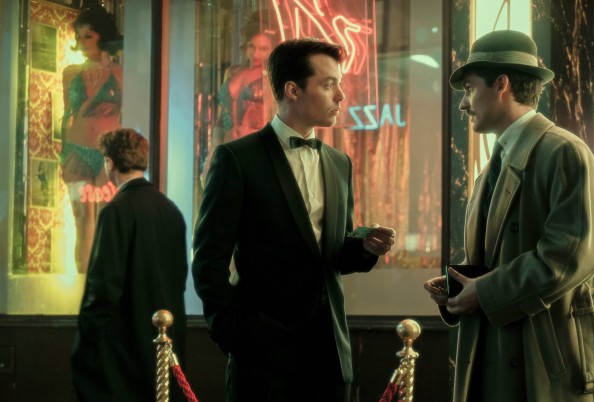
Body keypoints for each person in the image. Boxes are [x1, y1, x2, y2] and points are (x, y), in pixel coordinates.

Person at [423, 30, 594, 402]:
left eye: (469, 89)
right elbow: (503, 258)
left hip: (551, 365)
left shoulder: (564, 152)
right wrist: (461, 288)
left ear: (501, 85)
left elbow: (569, 256)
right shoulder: (491, 169)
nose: (463, 104)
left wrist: (484, 291)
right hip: (499, 354)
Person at [192, 37, 396, 402]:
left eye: (339, 84)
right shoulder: (237, 159)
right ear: (292, 90)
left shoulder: (339, 163)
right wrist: (234, 333)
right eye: (329, 84)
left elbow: (333, 255)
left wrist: (364, 246)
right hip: (261, 361)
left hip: (330, 358)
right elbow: (208, 260)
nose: (341, 96)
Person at [70, 128, 188, 402]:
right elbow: (179, 277)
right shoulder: (171, 211)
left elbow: (104, 286)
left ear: (109, 162)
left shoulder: (116, 211)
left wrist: (87, 338)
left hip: (123, 352)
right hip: (165, 346)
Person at [61, 4, 123, 274]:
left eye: (88, 35)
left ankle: (104, 284)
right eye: (79, 36)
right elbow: (70, 114)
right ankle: (82, 285)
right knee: (82, 222)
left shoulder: (120, 73)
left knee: (106, 221)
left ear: (102, 36)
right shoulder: (70, 73)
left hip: (108, 152)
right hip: (76, 149)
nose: (82, 41)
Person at [201, 27, 277, 188]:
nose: (256, 53)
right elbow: (221, 117)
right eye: (251, 46)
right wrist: (213, 151)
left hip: (255, 149)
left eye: (263, 49)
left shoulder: (271, 78)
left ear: (271, 50)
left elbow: (274, 116)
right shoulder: (232, 71)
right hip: (228, 146)